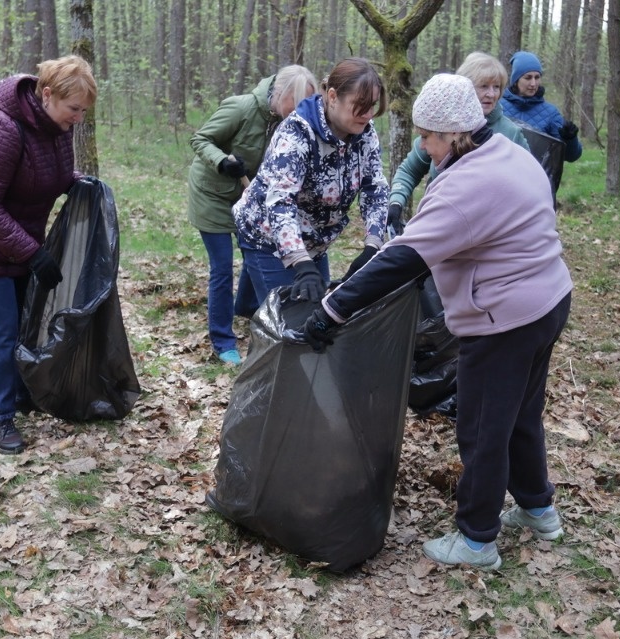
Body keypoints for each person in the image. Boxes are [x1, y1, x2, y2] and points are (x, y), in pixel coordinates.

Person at [299, 74, 573, 570]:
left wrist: (333, 309)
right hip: (549, 299)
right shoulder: (511, 153)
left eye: (427, 136)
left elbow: (404, 258)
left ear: (452, 133)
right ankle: (538, 508)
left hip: (505, 319)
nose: (423, 146)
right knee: (519, 415)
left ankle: (477, 539)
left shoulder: (469, 183)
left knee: (483, 426)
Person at [0, 55, 97, 455]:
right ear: (47, 95)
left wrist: (81, 185)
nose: (79, 118)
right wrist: (32, 253)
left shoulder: (57, 128)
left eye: (84, 110)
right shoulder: (3, 130)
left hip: (21, 243)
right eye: (74, 108)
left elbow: (53, 174)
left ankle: (16, 394)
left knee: (22, 325)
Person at [233, 57, 390, 308]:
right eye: (359, 106)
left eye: (372, 105)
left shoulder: (365, 133)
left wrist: (373, 244)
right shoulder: (296, 132)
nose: (368, 114)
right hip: (267, 236)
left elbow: (375, 187)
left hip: (315, 240)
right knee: (292, 320)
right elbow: (281, 201)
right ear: (332, 96)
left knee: (319, 310)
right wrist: (301, 263)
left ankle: (249, 309)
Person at [188, 65, 317, 366]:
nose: (299, 112)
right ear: (281, 94)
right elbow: (200, 139)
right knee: (222, 267)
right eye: (295, 104)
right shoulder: (241, 107)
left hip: (250, 199)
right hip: (214, 196)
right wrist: (222, 162)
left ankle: (245, 305)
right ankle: (222, 341)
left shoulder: (288, 123)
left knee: (255, 250)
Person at [387, 52, 530, 232]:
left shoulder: (511, 134)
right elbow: (409, 170)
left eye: (497, 87)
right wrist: (396, 202)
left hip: (486, 233)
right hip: (437, 223)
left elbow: (527, 188)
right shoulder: (440, 127)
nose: (491, 94)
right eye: (484, 86)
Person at [500, 51, 582, 163]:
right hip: (501, 175)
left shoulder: (550, 113)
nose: (533, 83)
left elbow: (571, 157)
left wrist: (570, 139)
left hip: (534, 177)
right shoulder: (498, 107)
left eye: (537, 77)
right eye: (528, 78)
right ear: (516, 80)